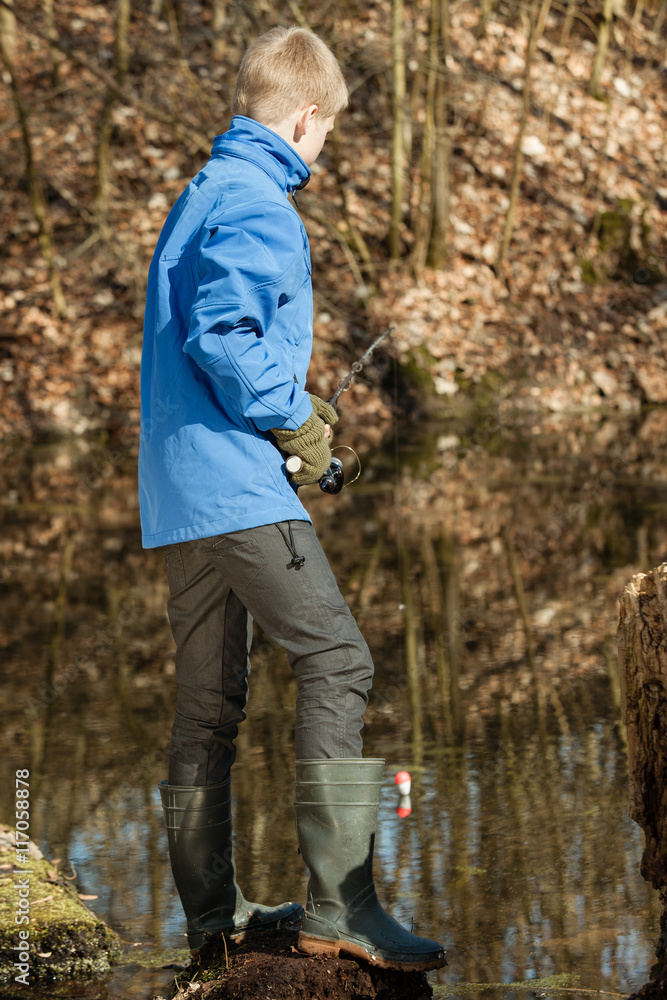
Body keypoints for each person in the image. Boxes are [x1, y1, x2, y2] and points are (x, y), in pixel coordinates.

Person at [138, 26, 446, 972]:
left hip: (180, 494)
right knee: (340, 661)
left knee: (207, 710)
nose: (322, 152)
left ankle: (211, 924)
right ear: (306, 118)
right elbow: (225, 336)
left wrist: (287, 410)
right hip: (234, 488)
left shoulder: (199, 194)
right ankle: (339, 906)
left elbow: (203, 334)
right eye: (326, 135)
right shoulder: (259, 203)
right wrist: (296, 427)